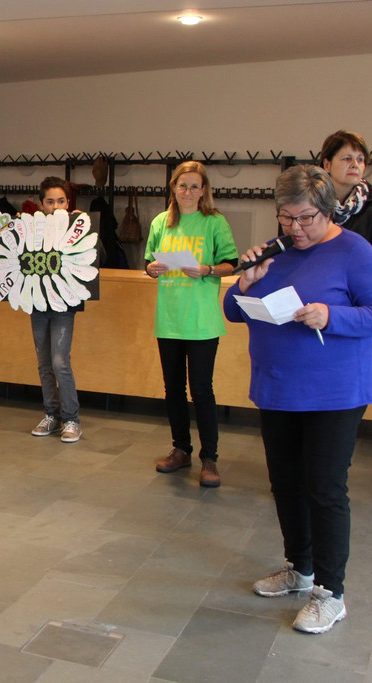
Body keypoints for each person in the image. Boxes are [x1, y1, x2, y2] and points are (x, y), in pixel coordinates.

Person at [223, 165, 372, 634]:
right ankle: (299, 567)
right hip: (278, 387)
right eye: (286, 217)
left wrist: (330, 315)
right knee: (285, 483)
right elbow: (233, 312)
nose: (295, 228)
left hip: (334, 393)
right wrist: (245, 282)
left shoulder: (354, 251)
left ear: (327, 210)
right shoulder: (276, 251)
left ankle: (330, 593)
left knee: (325, 488)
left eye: (305, 219)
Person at [144, 161, 238, 487]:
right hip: (169, 319)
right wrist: (152, 269)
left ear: (203, 191)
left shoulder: (214, 222)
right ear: (173, 187)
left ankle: (209, 457)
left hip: (201, 322)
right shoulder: (161, 222)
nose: (187, 191)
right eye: (182, 185)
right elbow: (148, 262)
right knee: (173, 389)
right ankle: (181, 449)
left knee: (201, 390)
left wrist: (208, 270)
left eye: (194, 186)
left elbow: (232, 263)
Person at [29, 177, 83, 443]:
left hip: (64, 305)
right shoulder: (32, 230)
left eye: (61, 201)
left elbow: (98, 257)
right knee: (44, 362)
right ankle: (52, 414)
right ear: (41, 205)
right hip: (38, 302)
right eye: (50, 202)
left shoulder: (77, 228)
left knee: (60, 362)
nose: (56, 206)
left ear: (68, 203)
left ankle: (71, 419)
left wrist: (82, 226)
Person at [318, 130, 372, 278]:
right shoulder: (310, 201)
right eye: (347, 159)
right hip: (315, 281)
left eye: (360, 160)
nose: (355, 165)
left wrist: (353, 265)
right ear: (327, 164)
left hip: (355, 286)